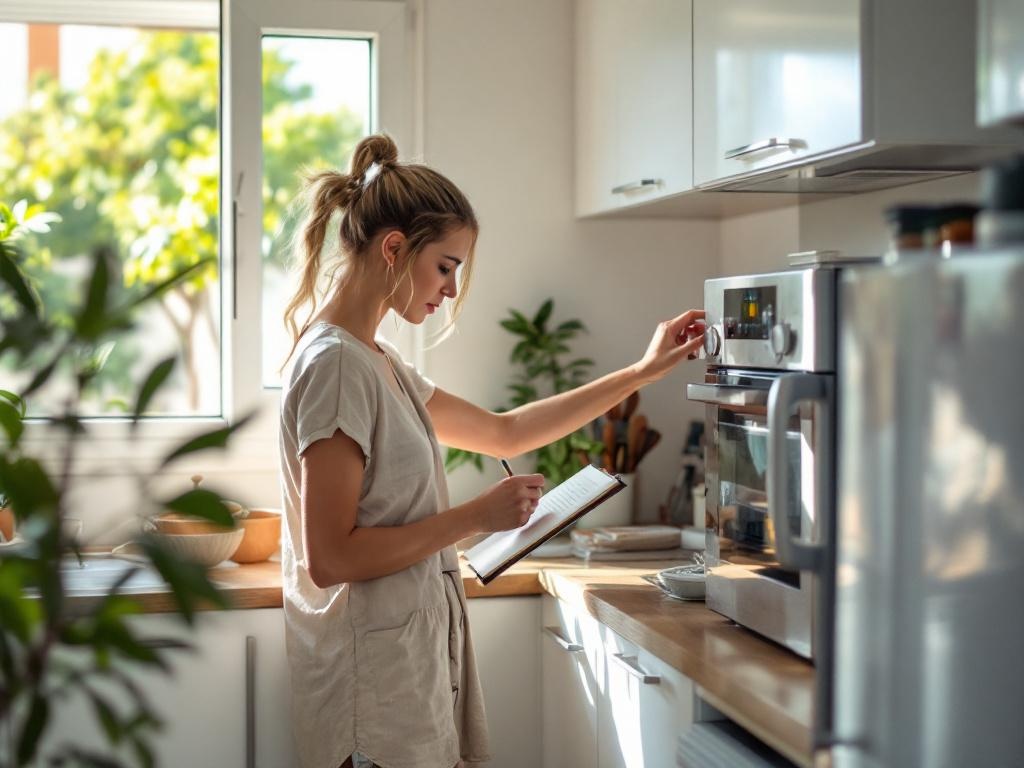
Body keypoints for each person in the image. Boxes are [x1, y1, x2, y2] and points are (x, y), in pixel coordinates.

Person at [277, 134, 705, 768]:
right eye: (446, 265)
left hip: (401, 681)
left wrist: (640, 373)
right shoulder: (338, 365)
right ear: (395, 248)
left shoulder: (377, 360)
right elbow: (331, 557)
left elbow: (505, 433)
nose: (451, 289)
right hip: (371, 700)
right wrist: (477, 518)